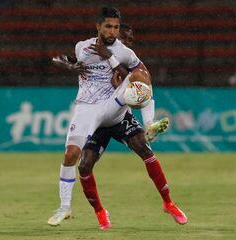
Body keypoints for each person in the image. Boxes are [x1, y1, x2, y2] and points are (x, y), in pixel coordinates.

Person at [48, 13, 169, 226]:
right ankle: (65, 208)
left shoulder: (123, 52)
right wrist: (71, 66)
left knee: (141, 84)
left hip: (113, 103)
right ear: (99, 27)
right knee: (72, 155)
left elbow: (143, 75)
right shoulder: (82, 47)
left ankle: (150, 125)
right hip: (87, 107)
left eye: (115, 27)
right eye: (108, 27)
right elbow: (57, 59)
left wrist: (111, 60)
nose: (112, 31)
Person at [77, 58, 187, 230]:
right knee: (84, 166)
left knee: (146, 150)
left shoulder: (129, 63)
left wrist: (149, 124)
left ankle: (168, 203)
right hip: (97, 121)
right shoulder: (92, 59)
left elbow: (144, 93)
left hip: (120, 118)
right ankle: (100, 211)